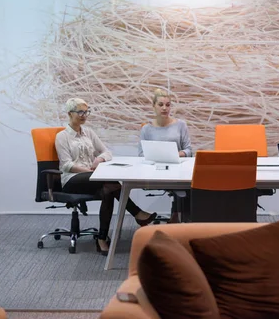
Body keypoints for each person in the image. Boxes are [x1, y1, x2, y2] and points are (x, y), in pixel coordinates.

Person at [55, 98, 156, 256]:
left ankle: (102, 238)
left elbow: (106, 152)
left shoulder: (88, 132)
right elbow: (66, 165)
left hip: (92, 177)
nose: (84, 115)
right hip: (72, 179)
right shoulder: (62, 136)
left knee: (108, 191)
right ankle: (137, 213)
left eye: (86, 111)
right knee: (110, 181)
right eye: (80, 112)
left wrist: (99, 159)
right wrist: (89, 171)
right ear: (69, 114)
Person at [138, 89, 192, 222]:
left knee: (193, 187)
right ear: (154, 106)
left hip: (177, 171)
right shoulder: (147, 128)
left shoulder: (180, 125)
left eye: (168, 105)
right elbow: (141, 154)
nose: (164, 108)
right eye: (161, 104)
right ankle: (176, 218)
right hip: (155, 172)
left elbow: (189, 150)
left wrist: (176, 153)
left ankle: (184, 222)